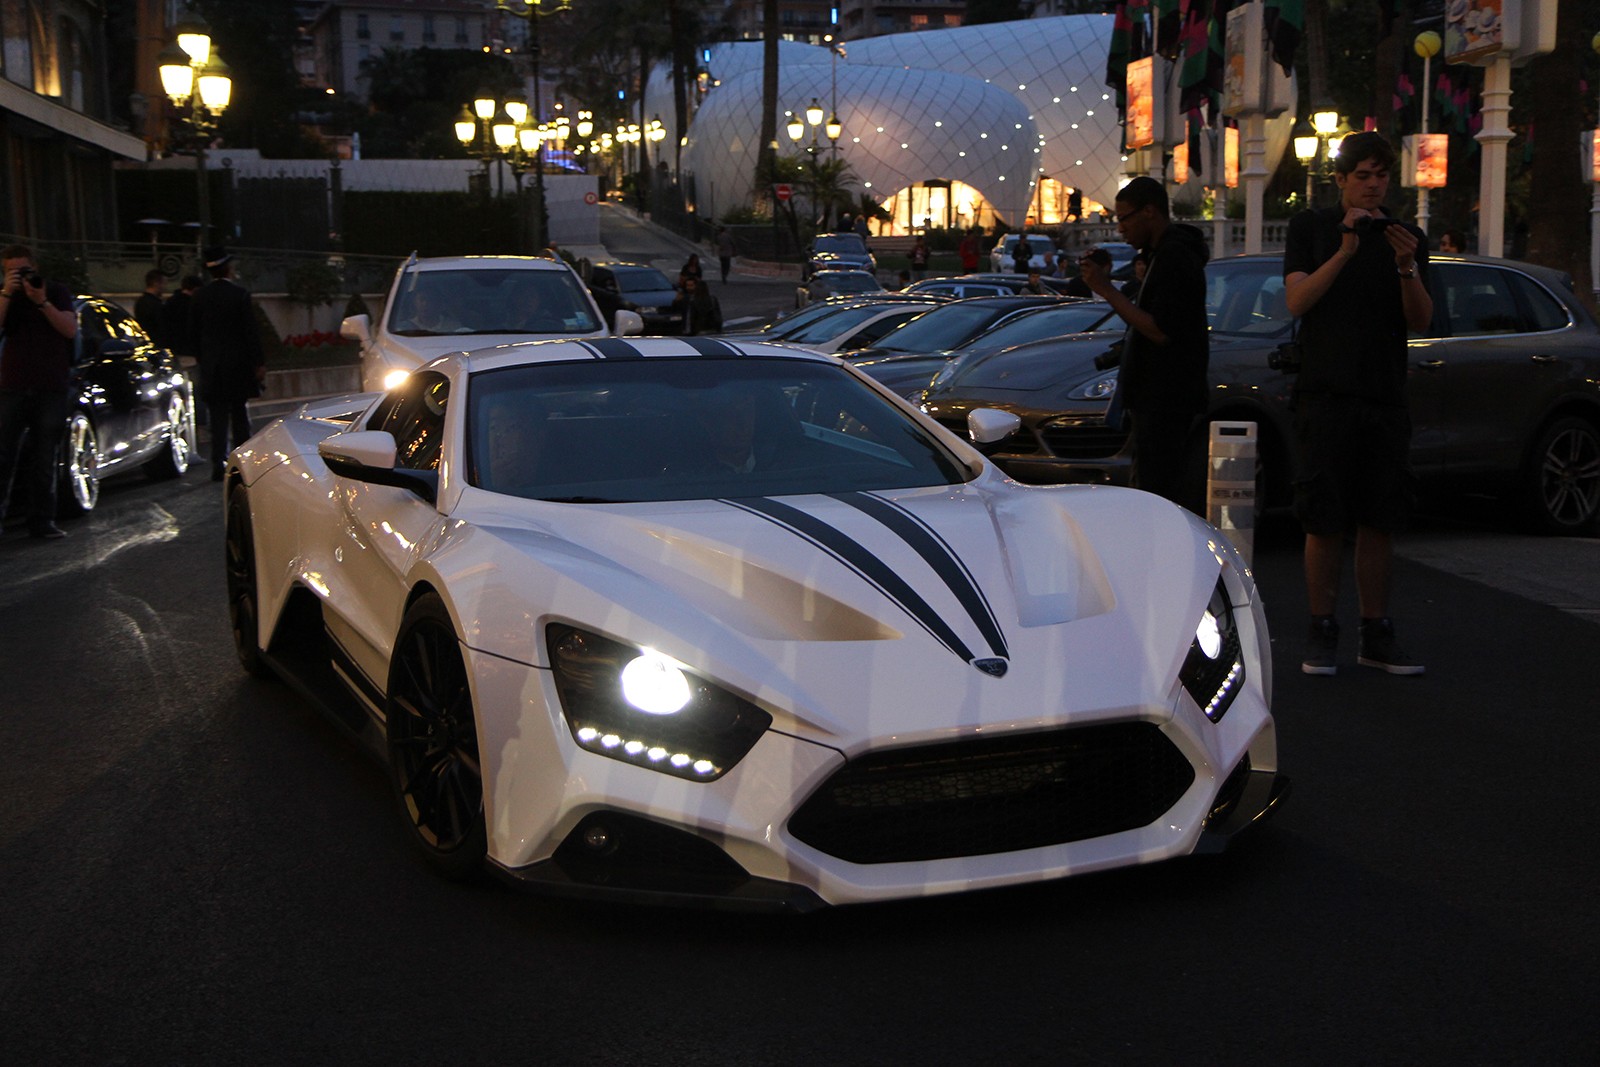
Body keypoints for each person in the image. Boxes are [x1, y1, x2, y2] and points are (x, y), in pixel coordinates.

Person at [1282, 131, 1433, 677]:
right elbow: (1297, 300)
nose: (1373, 186)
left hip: (1384, 395)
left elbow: (1421, 320)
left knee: (1380, 518)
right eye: (1362, 176)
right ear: (1341, 180)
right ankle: (1322, 629)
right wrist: (1345, 250)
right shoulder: (1312, 227)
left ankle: (1377, 632)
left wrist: (1406, 265)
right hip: (1326, 393)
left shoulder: (1406, 237)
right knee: (1323, 518)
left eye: (1381, 176)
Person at [1077, 177, 1210, 510]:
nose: (1120, 228)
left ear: (1149, 211)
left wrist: (1105, 289)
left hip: (1166, 399)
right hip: (1157, 398)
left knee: (1159, 493)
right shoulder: (1158, 255)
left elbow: (1160, 329)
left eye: (1124, 218)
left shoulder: (1174, 256)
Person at [0, 244, 78, 539]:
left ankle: (42, 520)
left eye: (24, 270)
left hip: (50, 386)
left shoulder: (55, 291)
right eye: (11, 271)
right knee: (3, 455)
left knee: (45, 457)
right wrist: (7, 293)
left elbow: (69, 329)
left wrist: (42, 301)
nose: (19, 276)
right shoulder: (5, 296)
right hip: (13, 385)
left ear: (35, 268)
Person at [191, 246, 265, 482]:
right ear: (228, 268)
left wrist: (202, 358)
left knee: (218, 417)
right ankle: (242, 461)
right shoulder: (239, 294)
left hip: (212, 365)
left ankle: (218, 462)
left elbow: (194, 332)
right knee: (239, 414)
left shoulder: (200, 296)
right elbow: (250, 331)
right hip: (238, 364)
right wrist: (258, 362)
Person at [161, 274, 202, 360]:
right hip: (189, 348)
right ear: (196, 289)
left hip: (174, 346)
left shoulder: (171, 301)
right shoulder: (193, 304)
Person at [134, 270, 167, 347]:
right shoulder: (156, 304)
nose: (165, 287)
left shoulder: (141, 302)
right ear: (156, 283)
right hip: (156, 343)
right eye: (164, 283)